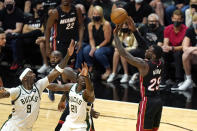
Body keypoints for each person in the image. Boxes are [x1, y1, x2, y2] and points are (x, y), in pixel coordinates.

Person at [0, 40, 75, 131]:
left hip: (27, 129)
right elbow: (4, 94)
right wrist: (1, 91)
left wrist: (68, 55)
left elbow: (56, 71)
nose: (34, 74)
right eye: (31, 73)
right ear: (24, 78)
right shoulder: (17, 90)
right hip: (12, 128)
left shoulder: (39, 85)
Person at [114, 17, 163, 131]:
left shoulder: (143, 65)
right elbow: (145, 45)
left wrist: (116, 35)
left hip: (147, 102)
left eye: (149, 51)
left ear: (153, 55)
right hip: (158, 102)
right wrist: (135, 31)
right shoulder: (161, 62)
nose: (146, 50)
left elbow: (123, 53)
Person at [47, 63, 95, 131]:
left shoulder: (86, 93)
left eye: (86, 78)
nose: (84, 79)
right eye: (82, 77)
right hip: (70, 121)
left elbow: (90, 92)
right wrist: (42, 84)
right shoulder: (71, 86)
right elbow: (56, 87)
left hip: (81, 125)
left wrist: (86, 75)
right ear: (77, 79)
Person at [83, 5, 113, 80]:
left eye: (97, 14)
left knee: (98, 53)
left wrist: (97, 47)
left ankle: (108, 69)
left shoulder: (106, 24)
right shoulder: (90, 25)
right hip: (95, 45)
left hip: (106, 46)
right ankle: (91, 67)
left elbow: (107, 40)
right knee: (86, 50)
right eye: (94, 14)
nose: (95, 16)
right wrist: (93, 47)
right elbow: (91, 38)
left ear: (101, 15)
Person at [161, 9, 187, 87]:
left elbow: (184, 46)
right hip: (171, 49)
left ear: (182, 20)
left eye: (179, 19)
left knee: (178, 54)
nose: (176, 21)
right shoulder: (168, 29)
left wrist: (172, 48)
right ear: (172, 18)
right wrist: (165, 48)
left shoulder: (186, 30)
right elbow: (165, 43)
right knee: (164, 53)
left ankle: (179, 80)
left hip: (181, 50)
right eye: (175, 19)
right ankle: (164, 78)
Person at [175, 14, 197, 90]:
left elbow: (188, 48)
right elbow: (184, 47)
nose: (196, 22)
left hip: (194, 54)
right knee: (185, 55)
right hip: (194, 57)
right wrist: (194, 49)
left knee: (188, 52)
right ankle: (188, 79)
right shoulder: (190, 30)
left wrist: (191, 48)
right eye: (194, 21)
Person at [0, 0, 24, 70]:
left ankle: (16, 62)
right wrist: (2, 32)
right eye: (7, 3)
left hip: (15, 35)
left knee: (15, 41)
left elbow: (18, 29)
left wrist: (10, 31)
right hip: (3, 34)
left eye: (10, 3)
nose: (8, 4)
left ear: (14, 3)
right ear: (4, 4)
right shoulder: (2, 12)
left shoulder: (18, 12)